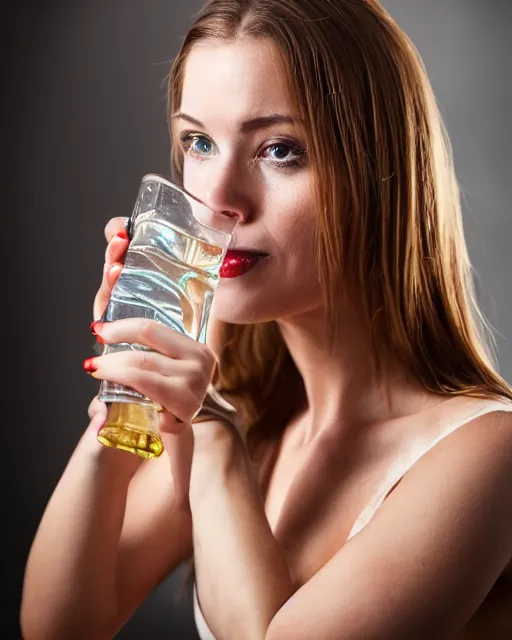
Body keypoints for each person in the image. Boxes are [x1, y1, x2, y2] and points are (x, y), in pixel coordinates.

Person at [20, 0, 512, 638]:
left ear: (377, 176)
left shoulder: (486, 455)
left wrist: (213, 433)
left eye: (280, 150)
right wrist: (129, 391)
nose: (217, 197)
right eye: (198, 142)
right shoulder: (255, 418)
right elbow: (61, 625)